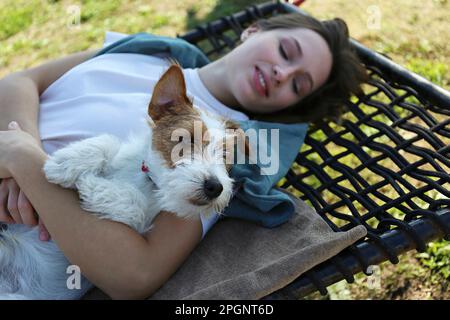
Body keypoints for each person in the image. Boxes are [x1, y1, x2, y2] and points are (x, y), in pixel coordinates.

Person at [0, 12, 366, 299]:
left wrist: (26, 164)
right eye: (286, 51)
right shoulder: (149, 51)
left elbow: (133, 274)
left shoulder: (226, 157)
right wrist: (23, 153)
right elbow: (20, 81)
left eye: (298, 85)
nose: (281, 73)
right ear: (253, 30)